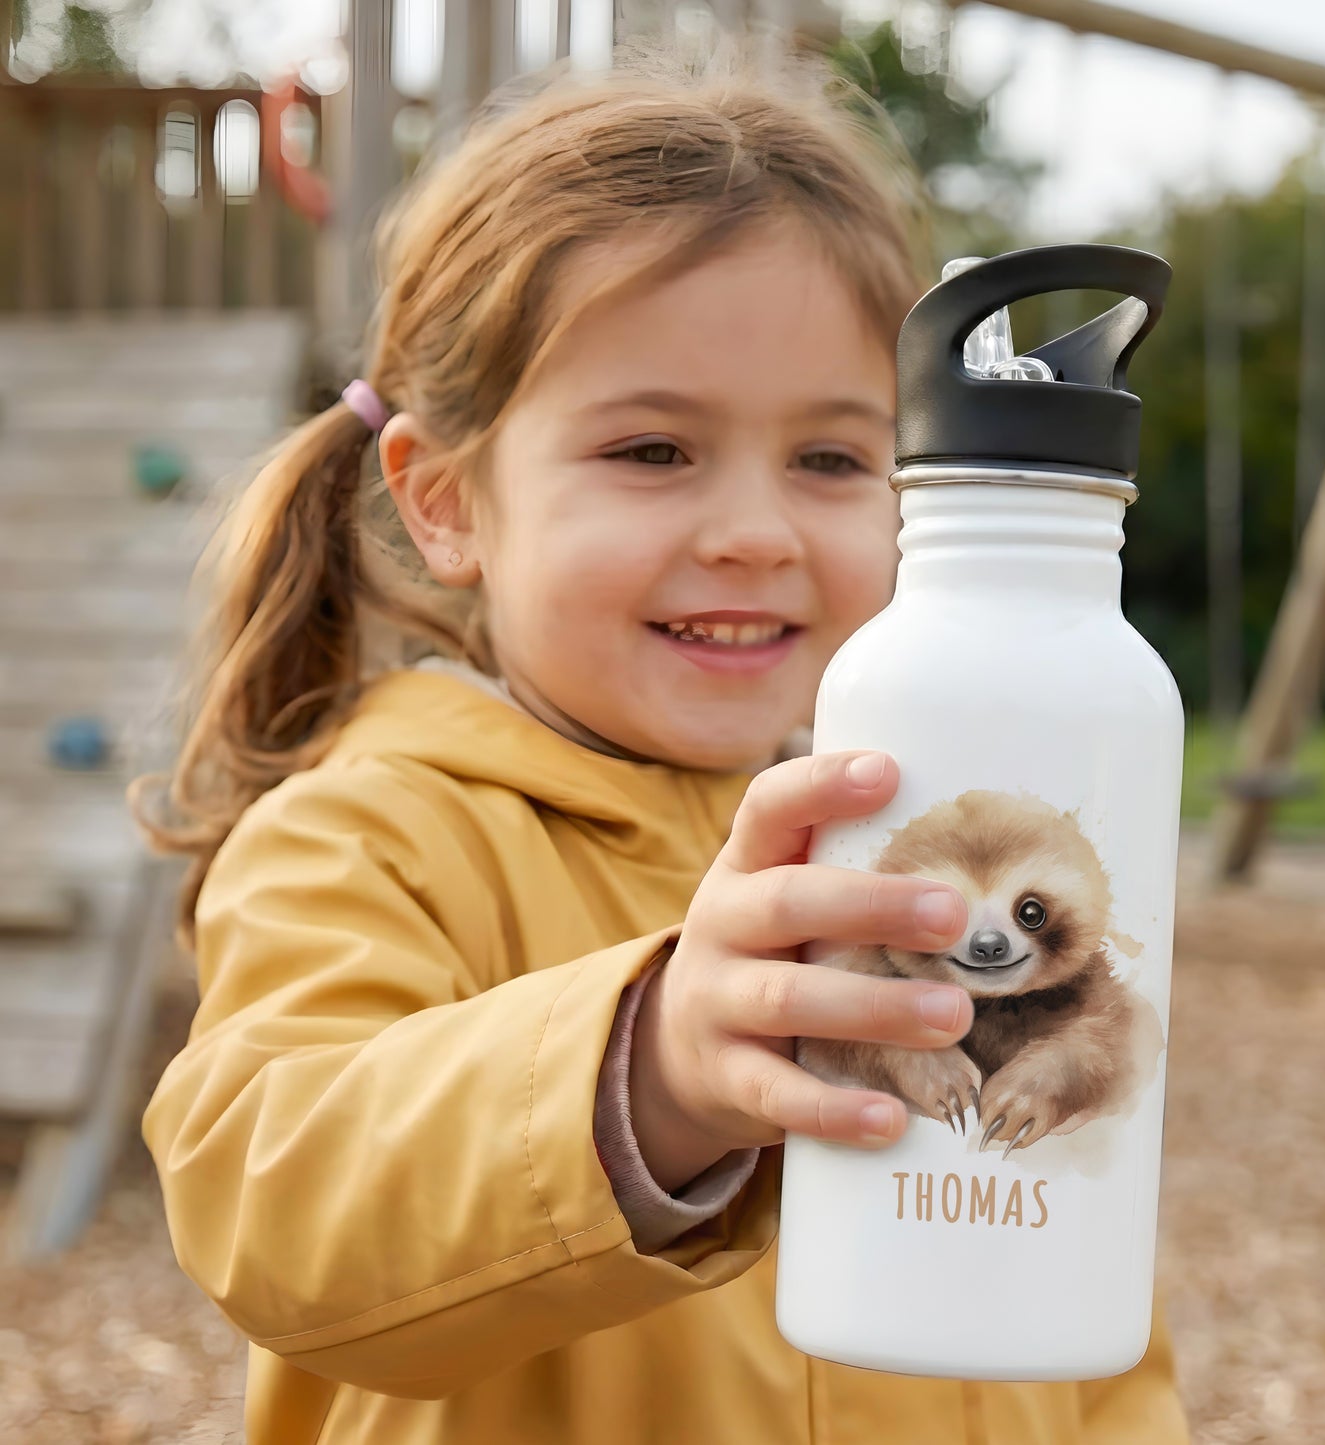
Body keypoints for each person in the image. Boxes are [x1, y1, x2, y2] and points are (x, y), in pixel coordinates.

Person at [136, 42, 1189, 1445]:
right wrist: (645, 1073)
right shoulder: (379, 830)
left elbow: (1081, 1268)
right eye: (652, 452)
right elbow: (268, 1201)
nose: (753, 531)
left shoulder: (928, 837)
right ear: (446, 501)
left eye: (830, 459)